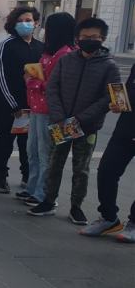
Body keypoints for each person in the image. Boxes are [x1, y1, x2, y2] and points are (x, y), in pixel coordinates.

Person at [29, 17, 120, 223]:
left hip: (87, 126)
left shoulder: (109, 66)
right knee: (54, 163)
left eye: (94, 37)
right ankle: (48, 200)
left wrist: (81, 118)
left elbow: (109, 97)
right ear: (77, 38)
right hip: (61, 123)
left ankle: (76, 207)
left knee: (81, 168)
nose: (89, 40)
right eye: (85, 36)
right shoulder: (66, 60)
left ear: (102, 38)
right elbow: (53, 87)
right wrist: (60, 116)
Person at [22, 13, 76, 207]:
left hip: (52, 112)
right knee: (33, 150)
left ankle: (43, 193)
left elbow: (60, 85)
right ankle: (32, 186)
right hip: (36, 107)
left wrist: (35, 82)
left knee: (47, 154)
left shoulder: (67, 54)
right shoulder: (49, 51)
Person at [0, 7, 44, 193]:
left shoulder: (40, 47)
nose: (25, 24)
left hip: (32, 106)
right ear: (13, 24)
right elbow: (1, 77)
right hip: (8, 105)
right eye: (20, 21)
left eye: (28, 19)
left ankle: (27, 175)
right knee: (5, 140)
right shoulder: (7, 45)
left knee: (28, 143)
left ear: (36, 22)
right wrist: (13, 105)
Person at [80, 64, 135, 242]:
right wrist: (119, 104)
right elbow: (126, 94)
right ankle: (109, 217)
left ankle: (134, 223)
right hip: (126, 130)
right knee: (106, 172)